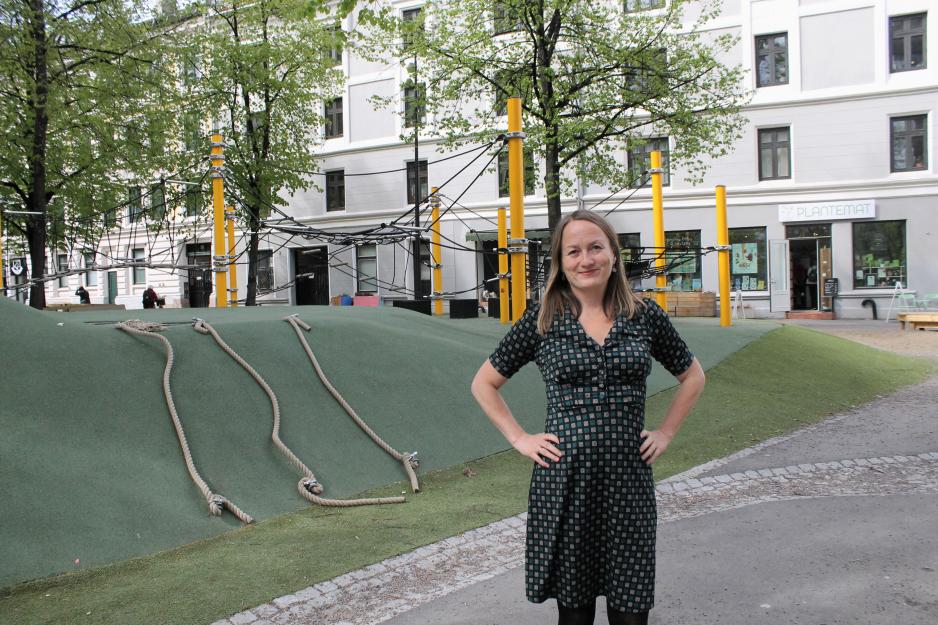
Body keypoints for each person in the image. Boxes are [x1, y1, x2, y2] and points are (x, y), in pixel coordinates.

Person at [471, 211, 705, 625]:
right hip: (565, 484)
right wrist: (520, 439)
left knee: (631, 613)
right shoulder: (543, 319)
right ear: (561, 263)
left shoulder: (644, 316)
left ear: (613, 254)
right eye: (573, 252)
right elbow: (484, 383)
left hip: (628, 485)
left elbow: (693, 376)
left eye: (595, 247)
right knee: (575, 614)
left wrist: (666, 433)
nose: (586, 259)